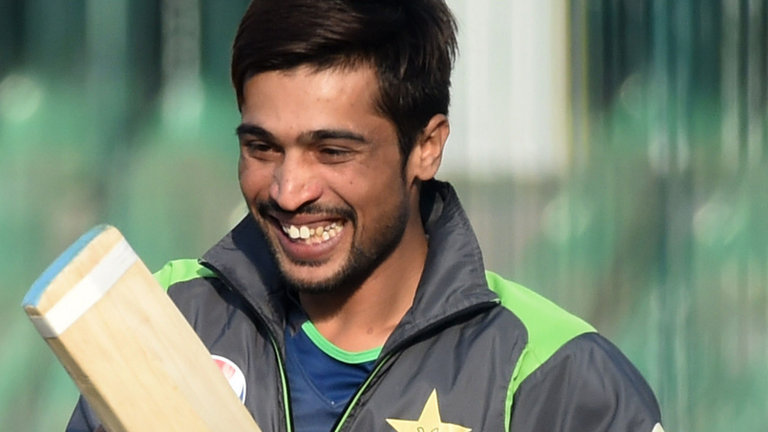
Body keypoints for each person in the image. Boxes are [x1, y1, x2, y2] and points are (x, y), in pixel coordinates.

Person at [67, 0, 664, 431]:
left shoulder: (555, 376)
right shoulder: (167, 319)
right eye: (262, 147)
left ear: (426, 147)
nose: (290, 189)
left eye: (333, 151)